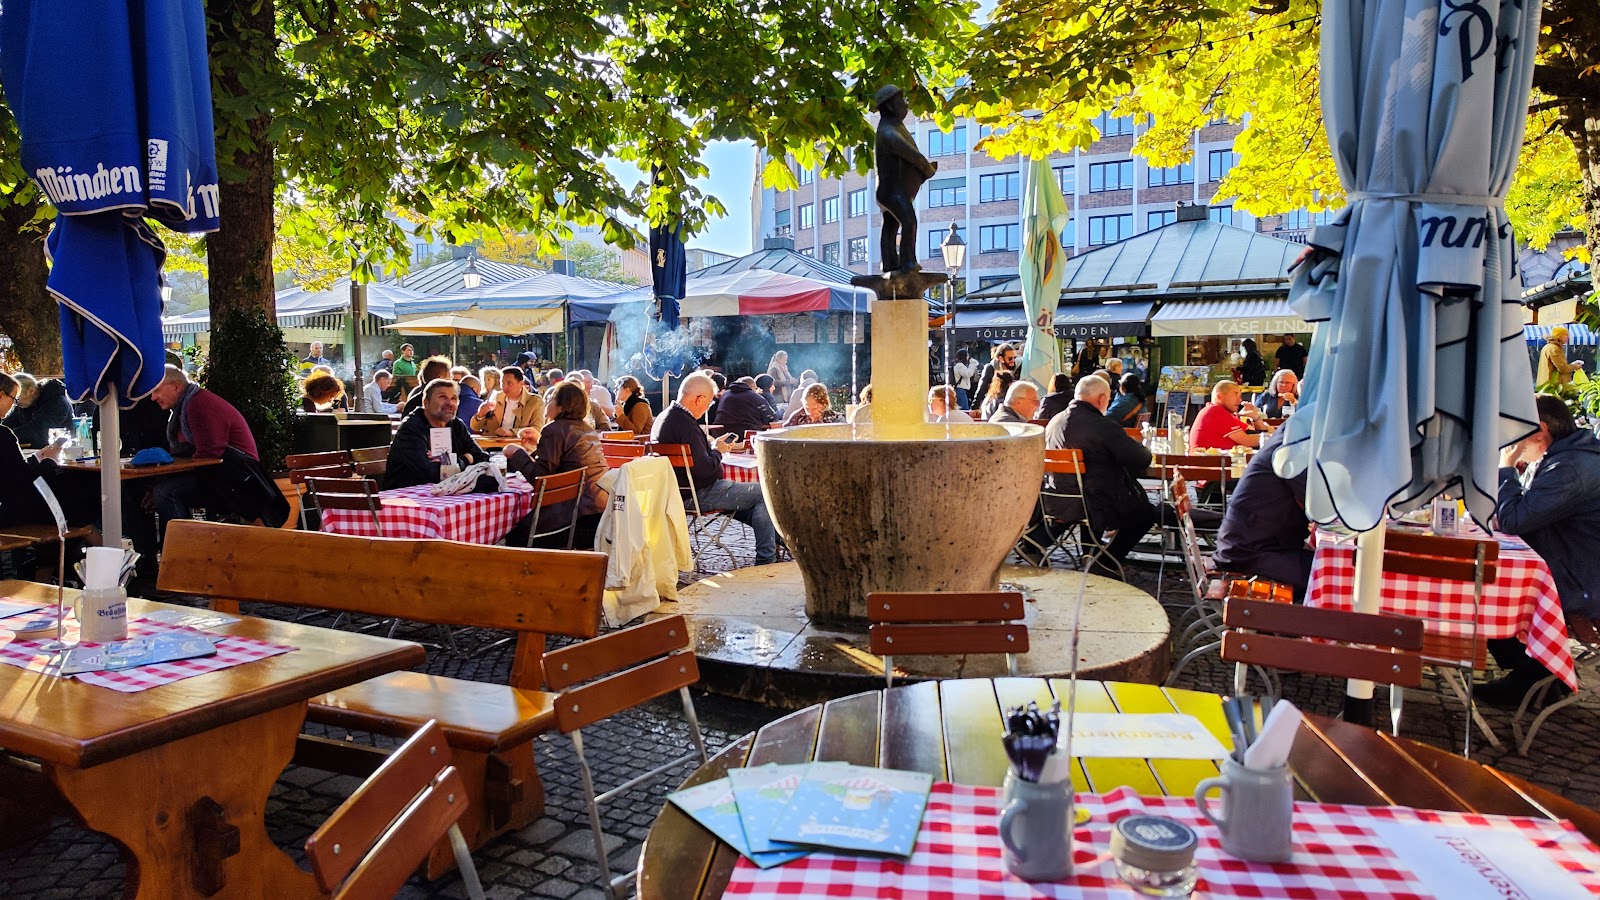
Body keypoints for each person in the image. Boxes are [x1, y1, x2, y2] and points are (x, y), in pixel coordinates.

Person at [1478, 395, 1600, 704]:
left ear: (1538, 430)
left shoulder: (1571, 468)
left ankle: (1533, 674)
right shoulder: (1571, 457)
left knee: (1490, 587)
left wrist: (1506, 467)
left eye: (1511, 435)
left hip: (1582, 584)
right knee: (1494, 578)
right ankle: (1535, 673)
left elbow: (1513, 519)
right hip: (1576, 568)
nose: (1507, 443)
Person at [1020, 375, 1155, 571]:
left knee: (1085, 491)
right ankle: (1105, 561)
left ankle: (1052, 543)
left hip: (1055, 496)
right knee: (1146, 513)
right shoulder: (1102, 426)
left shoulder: (1055, 422)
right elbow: (1141, 459)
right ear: (1101, 399)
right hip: (1095, 502)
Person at [651, 372, 778, 565]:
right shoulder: (686, 425)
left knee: (750, 501)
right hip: (700, 493)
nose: (709, 407)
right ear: (699, 399)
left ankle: (781, 541)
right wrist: (718, 451)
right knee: (764, 493)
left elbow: (696, 460)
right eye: (709, 402)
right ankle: (766, 558)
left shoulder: (664, 418)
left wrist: (712, 449)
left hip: (675, 493)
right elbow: (705, 469)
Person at [148, 365, 279, 533]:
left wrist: (163, 478)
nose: (153, 397)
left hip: (237, 479)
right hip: (220, 474)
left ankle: (184, 553)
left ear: (176, 386)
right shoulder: (187, 405)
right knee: (150, 492)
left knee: (165, 493)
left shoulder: (198, 405)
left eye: (157, 391)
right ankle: (152, 553)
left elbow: (209, 454)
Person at [503, 381, 609, 549]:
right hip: (598, 513)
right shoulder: (588, 430)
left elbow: (541, 479)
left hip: (571, 519)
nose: (547, 402)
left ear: (562, 407)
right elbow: (567, 461)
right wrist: (538, 445)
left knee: (511, 534)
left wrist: (517, 454)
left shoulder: (554, 429)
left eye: (552, 399)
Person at [1212, 428, 1313, 600]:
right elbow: (1319, 503)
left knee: (1328, 566)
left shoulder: (1291, 440)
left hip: (1249, 546)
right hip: (1248, 553)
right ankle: (1301, 624)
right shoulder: (1292, 450)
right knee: (1329, 570)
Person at [0, 372, 97, 531]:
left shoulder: (54, 403)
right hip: (11, 510)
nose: (15, 406)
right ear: (1, 395)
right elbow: (24, 482)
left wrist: (37, 458)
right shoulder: (3, 435)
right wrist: (49, 462)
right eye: (14, 400)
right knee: (75, 505)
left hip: (9, 504)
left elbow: (15, 470)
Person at [870, 84, 938, 274]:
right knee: (909, 222)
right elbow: (912, 155)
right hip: (892, 192)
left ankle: (890, 263)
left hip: (891, 191)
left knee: (891, 226)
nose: (906, 104)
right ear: (890, 106)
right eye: (901, 100)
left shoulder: (894, 127)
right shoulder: (888, 132)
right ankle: (908, 262)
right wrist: (927, 170)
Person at [384, 378, 488, 490]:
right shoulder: (411, 429)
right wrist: (466, 459)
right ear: (426, 403)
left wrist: (448, 463)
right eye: (442, 397)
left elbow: (483, 458)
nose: (449, 403)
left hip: (445, 494)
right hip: (406, 498)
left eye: (453, 398)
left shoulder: (457, 425)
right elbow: (430, 475)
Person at [1, 372, 74, 448]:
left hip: (62, 451)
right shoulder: (26, 402)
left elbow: (39, 434)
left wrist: (6, 435)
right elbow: (8, 424)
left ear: (31, 391)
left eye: (17, 398)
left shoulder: (57, 402)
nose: (14, 402)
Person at [1191, 380, 1271, 450]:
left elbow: (1253, 433)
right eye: (1235, 394)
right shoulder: (1215, 411)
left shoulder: (1226, 414)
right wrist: (1275, 437)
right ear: (1219, 396)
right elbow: (1247, 441)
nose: (1240, 400)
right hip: (1210, 464)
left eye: (1240, 396)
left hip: (1222, 463)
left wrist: (1255, 417)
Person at [471, 366, 545, 437]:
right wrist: (480, 415)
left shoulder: (535, 402)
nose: (505, 387)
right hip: (492, 445)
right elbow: (475, 427)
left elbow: (537, 429)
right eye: (502, 383)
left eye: (509, 383)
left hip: (520, 446)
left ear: (521, 384)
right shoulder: (496, 397)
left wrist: (512, 432)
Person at [974, 343, 1018, 417]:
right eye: (1010, 358)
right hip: (993, 408)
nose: (1013, 361)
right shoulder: (990, 368)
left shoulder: (1017, 370)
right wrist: (974, 408)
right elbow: (982, 389)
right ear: (1001, 358)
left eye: (1014, 357)